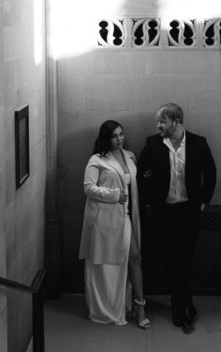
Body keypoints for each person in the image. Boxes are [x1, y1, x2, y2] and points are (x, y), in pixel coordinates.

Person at [137, 103, 216, 334]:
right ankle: (180, 307)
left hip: (189, 211)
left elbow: (210, 173)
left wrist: (203, 202)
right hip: (165, 213)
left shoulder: (198, 143)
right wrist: (151, 203)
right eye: (158, 122)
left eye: (162, 121)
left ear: (176, 121)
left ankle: (184, 303)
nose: (158, 126)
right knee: (172, 260)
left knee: (186, 258)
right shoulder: (153, 143)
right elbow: (141, 173)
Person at [78, 120, 150, 329]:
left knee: (136, 257)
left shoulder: (129, 156)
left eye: (121, 134)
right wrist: (114, 195)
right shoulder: (97, 159)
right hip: (105, 220)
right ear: (105, 138)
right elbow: (88, 188)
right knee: (109, 263)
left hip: (126, 215)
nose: (119, 138)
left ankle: (140, 306)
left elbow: (134, 183)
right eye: (114, 136)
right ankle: (108, 306)